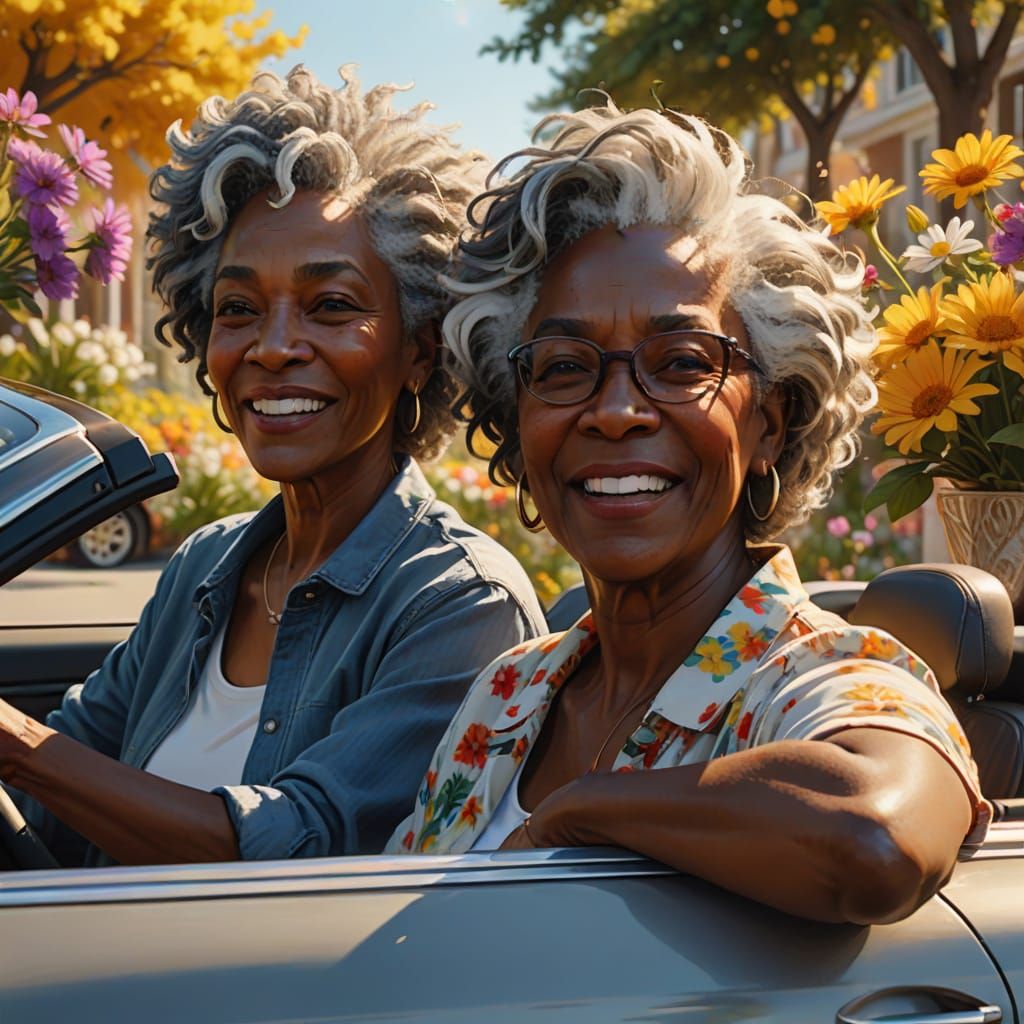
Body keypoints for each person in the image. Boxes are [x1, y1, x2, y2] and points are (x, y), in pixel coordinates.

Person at [386, 101, 989, 925]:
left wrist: (581, 811)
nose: (616, 410)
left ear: (769, 423)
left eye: (682, 362)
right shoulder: (510, 691)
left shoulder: (820, 676)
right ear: (518, 423)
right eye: (564, 367)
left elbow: (876, 842)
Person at [0, 66, 545, 868]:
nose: (273, 346)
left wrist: (12, 743)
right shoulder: (204, 567)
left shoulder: (462, 603)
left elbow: (296, 847)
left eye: (331, 306)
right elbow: (55, 793)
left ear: (421, 351)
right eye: (238, 309)